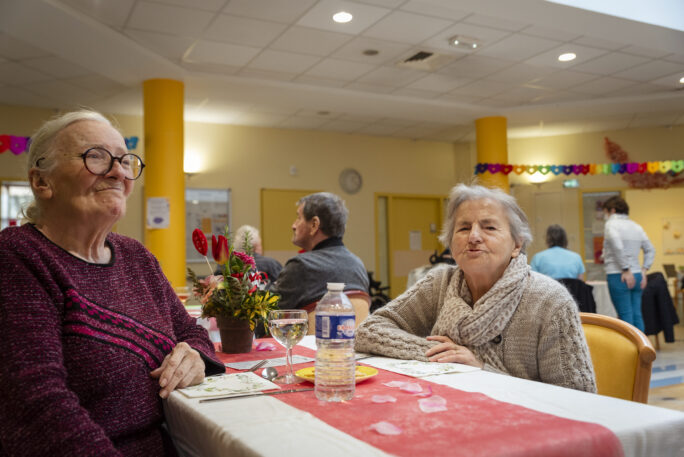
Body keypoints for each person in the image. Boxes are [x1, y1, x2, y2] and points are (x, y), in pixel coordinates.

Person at [0, 110, 224, 456]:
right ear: (42, 182)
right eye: (97, 157)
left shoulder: (136, 256)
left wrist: (194, 354)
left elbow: (191, 331)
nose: (119, 171)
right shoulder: (18, 255)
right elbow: (37, 404)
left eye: (124, 160)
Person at [355, 183, 596, 393]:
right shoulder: (440, 282)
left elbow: (578, 398)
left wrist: (482, 368)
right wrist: (445, 355)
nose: (474, 237)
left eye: (489, 227)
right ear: (450, 244)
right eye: (463, 228)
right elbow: (369, 331)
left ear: (516, 244)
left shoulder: (550, 301)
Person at [270, 192, 368, 309]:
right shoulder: (358, 265)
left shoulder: (301, 266)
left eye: (299, 218)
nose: (293, 225)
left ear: (314, 225)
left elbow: (265, 321)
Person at [602, 195, 655, 332]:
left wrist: (625, 269)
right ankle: (643, 351)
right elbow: (650, 249)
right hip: (637, 275)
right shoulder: (636, 226)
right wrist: (644, 270)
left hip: (618, 274)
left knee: (625, 316)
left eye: (605, 212)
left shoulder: (611, 224)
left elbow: (617, 246)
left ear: (612, 210)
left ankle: (629, 353)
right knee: (637, 314)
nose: (605, 215)